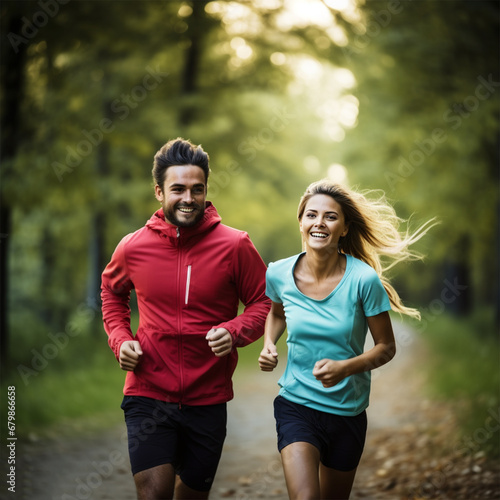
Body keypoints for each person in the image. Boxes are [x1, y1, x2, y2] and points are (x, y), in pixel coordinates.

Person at [101, 138, 270, 500]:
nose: (188, 198)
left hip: (208, 398)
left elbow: (263, 302)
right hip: (148, 391)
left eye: (197, 189)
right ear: (159, 192)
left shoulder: (235, 245)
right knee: (154, 493)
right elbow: (112, 292)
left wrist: (235, 330)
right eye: (178, 189)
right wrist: (120, 338)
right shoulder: (133, 246)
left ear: (206, 190)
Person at [259, 180, 434, 500]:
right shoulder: (278, 273)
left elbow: (386, 348)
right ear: (300, 222)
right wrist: (269, 343)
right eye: (311, 215)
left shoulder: (363, 279)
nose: (319, 223)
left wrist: (345, 368)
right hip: (296, 405)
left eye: (330, 217)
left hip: (347, 412)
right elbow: (278, 314)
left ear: (344, 228)